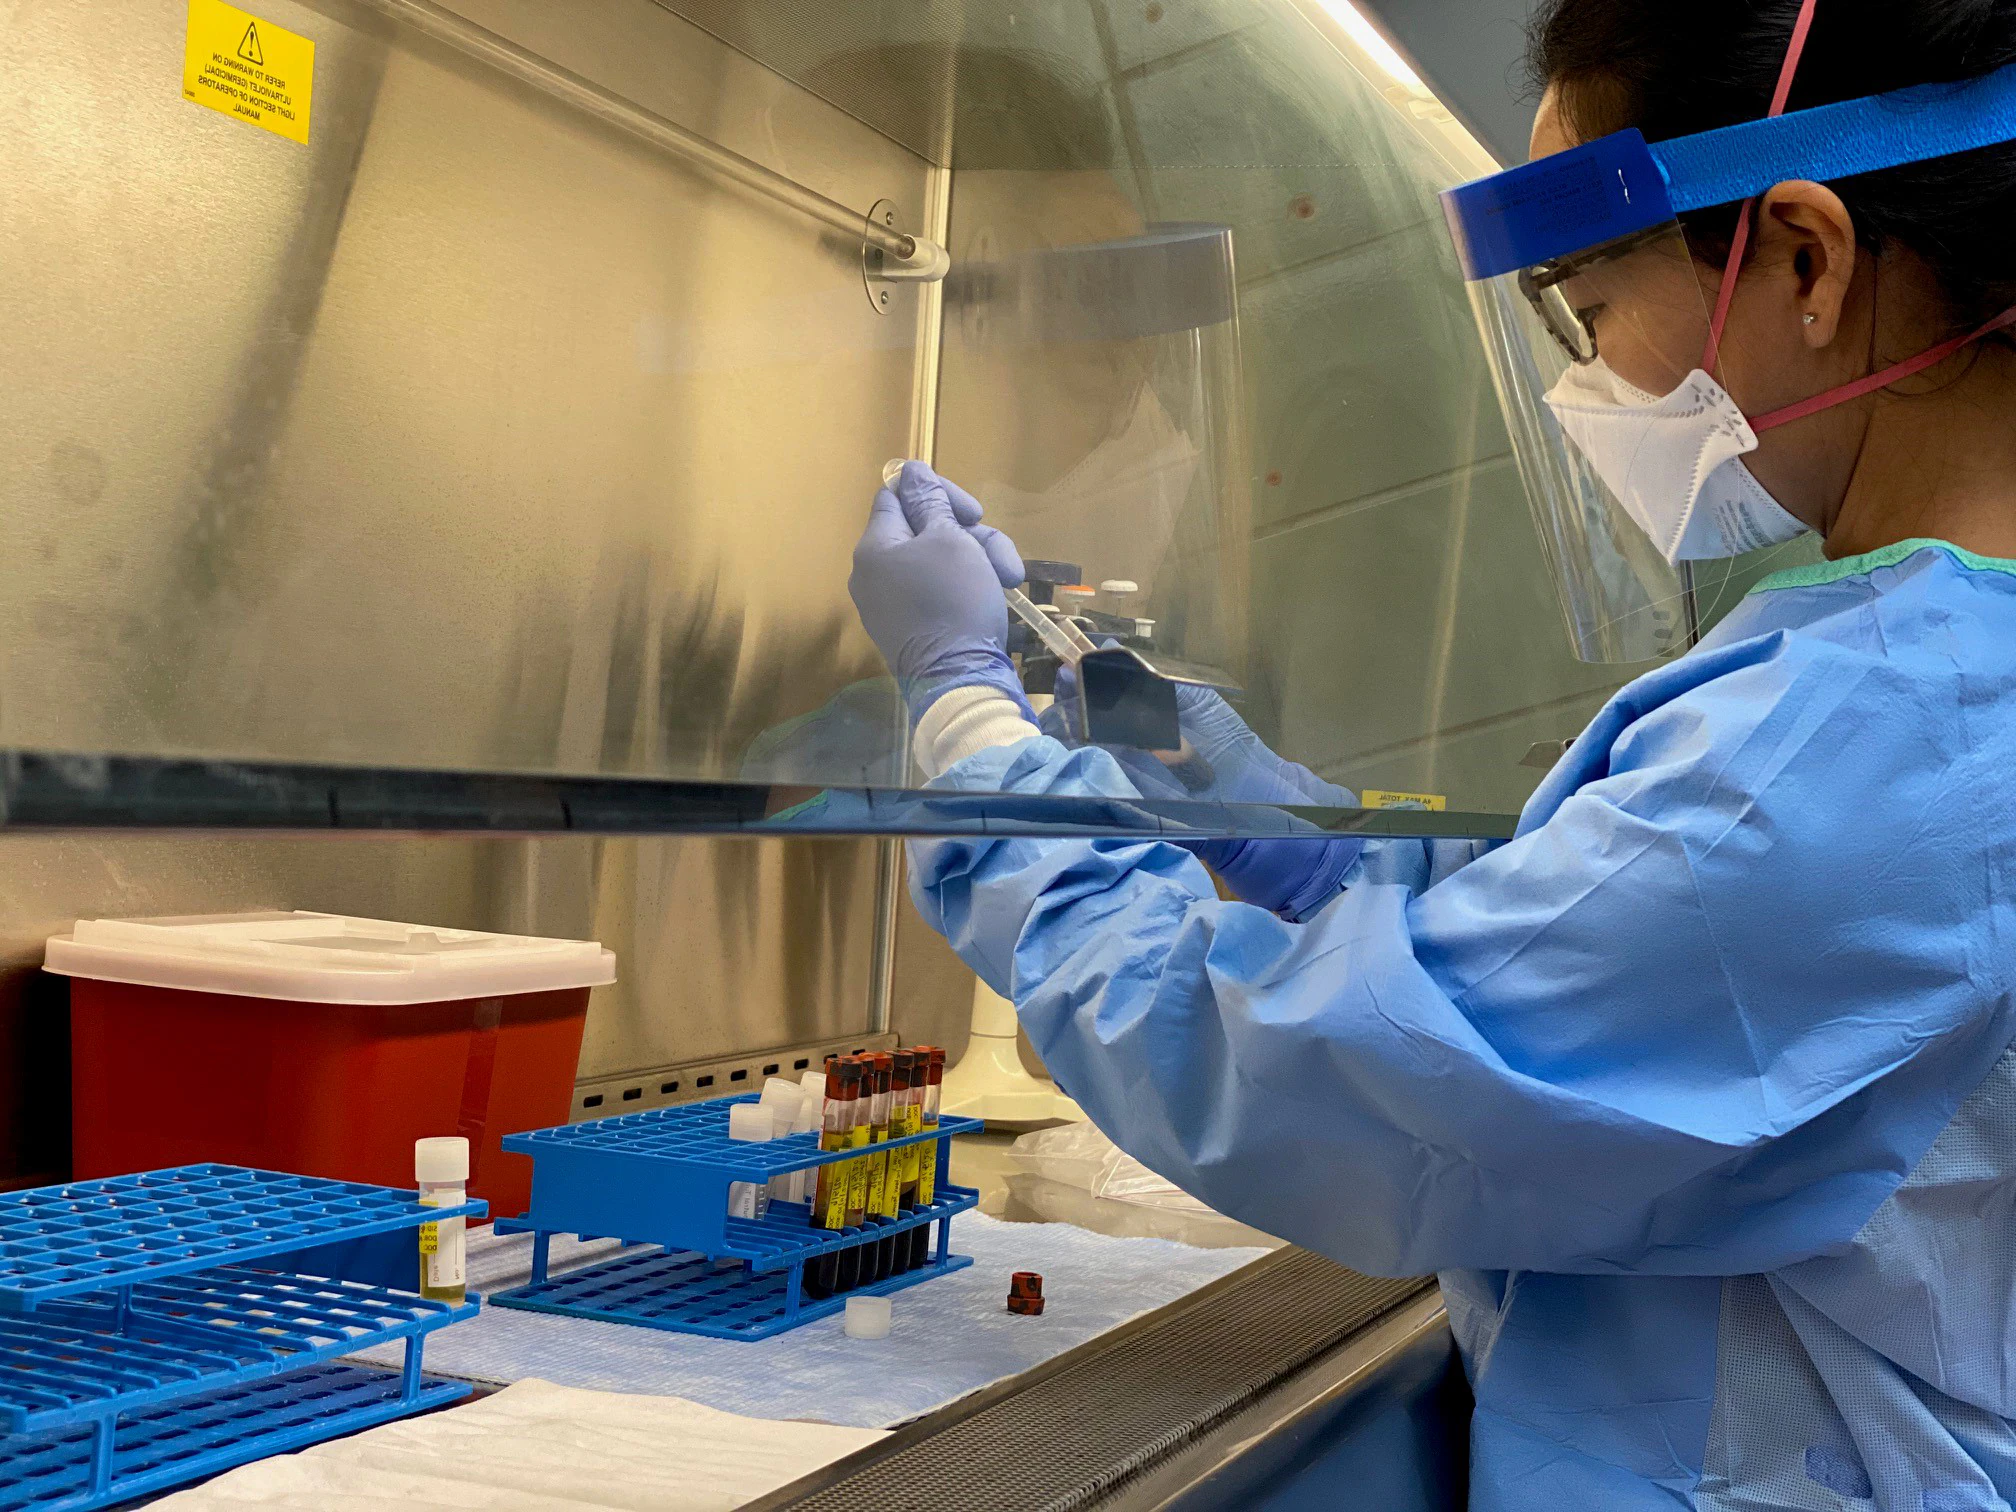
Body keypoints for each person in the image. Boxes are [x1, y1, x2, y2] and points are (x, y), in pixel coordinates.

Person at [850, 1, 2016, 1508]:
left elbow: (1329, 1074)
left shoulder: (1879, 736)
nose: (1585, 375)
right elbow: (1583, 914)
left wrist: (962, 726)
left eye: (1589, 308)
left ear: (1805, 258)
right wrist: (1183, 759)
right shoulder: (1916, 668)